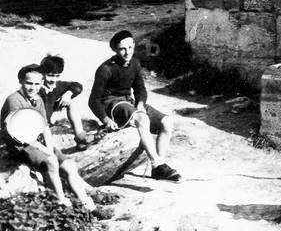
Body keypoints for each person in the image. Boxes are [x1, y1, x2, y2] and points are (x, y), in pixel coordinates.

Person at [88, 30, 181, 181]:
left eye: (130, 47)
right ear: (115, 49)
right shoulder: (106, 69)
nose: (127, 52)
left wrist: (140, 103)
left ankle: (158, 167)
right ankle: (156, 163)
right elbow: (93, 100)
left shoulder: (135, 64)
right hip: (112, 104)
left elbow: (140, 89)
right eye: (122, 49)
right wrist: (105, 120)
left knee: (167, 122)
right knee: (142, 119)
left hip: (129, 102)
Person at [1, 64, 97, 210]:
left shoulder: (37, 99)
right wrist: (47, 152)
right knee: (51, 161)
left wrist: (50, 148)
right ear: (21, 81)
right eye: (28, 83)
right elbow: (21, 134)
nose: (33, 88)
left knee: (69, 165)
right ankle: (61, 200)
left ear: (41, 83)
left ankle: (86, 203)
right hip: (18, 143)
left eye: (37, 84)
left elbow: (44, 127)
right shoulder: (14, 100)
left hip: (35, 139)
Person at [38, 55, 90, 149]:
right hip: (38, 124)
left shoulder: (57, 86)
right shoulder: (37, 88)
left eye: (57, 76)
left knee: (71, 102)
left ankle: (80, 136)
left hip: (48, 119)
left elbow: (77, 86)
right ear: (42, 73)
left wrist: (68, 93)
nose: (53, 79)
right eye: (50, 75)